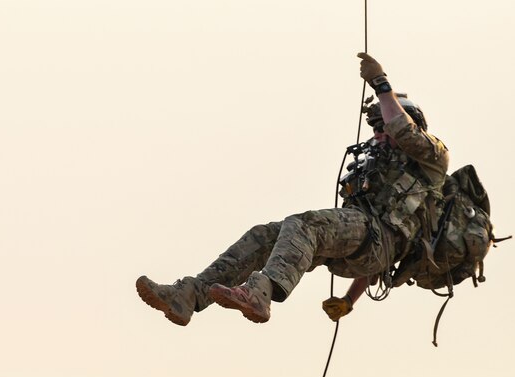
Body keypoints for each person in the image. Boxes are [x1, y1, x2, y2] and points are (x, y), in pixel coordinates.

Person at [136, 52, 449, 325]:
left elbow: (402, 130)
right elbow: (365, 252)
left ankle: (260, 294)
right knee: (267, 235)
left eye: (382, 126)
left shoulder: (431, 157)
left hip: (377, 241)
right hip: (359, 250)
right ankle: (189, 295)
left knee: (304, 223)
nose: (379, 134)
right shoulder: (378, 167)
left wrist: (381, 83)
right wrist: (349, 301)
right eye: (375, 127)